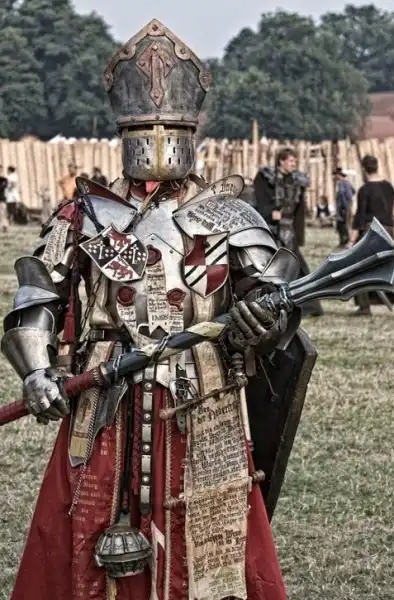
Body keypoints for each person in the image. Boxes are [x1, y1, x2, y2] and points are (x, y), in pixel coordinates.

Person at [1, 19, 318, 600]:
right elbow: (37, 295)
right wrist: (37, 371)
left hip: (203, 395)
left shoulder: (231, 215)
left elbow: (277, 292)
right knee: (88, 524)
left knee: (212, 534)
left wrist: (264, 318)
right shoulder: (84, 215)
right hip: (102, 397)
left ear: (190, 130)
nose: (156, 142)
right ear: (122, 132)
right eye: (142, 131)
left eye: (169, 129)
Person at [253, 149, 323, 316]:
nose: (294, 164)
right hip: (269, 229)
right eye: (291, 160)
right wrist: (270, 213)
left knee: (298, 267)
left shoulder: (297, 181)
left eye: (295, 161)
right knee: (269, 268)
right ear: (281, 161)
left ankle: (310, 306)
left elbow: (298, 211)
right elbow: (259, 201)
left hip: (288, 231)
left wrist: (298, 235)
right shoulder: (265, 178)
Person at [349, 154, 394, 316]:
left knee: (359, 267)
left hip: (371, 231)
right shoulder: (389, 187)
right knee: (391, 265)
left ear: (364, 170)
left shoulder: (365, 190)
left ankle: (364, 306)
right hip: (388, 230)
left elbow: (360, 217)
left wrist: (352, 240)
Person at [334, 167, 354, 247]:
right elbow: (353, 191)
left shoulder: (341, 183)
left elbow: (342, 194)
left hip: (343, 207)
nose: (334, 177)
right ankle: (347, 240)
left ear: (338, 175)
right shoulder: (348, 182)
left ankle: (346, 241)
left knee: (343, 224)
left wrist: (343, 206)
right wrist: (349, 200)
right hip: (348, 205)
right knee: (348, 223)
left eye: (335, 175)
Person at [0, 165, 9, 232]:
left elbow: (3, 187)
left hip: (1, 199)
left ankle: (4, 226)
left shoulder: (4, 180)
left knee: (3, 213)